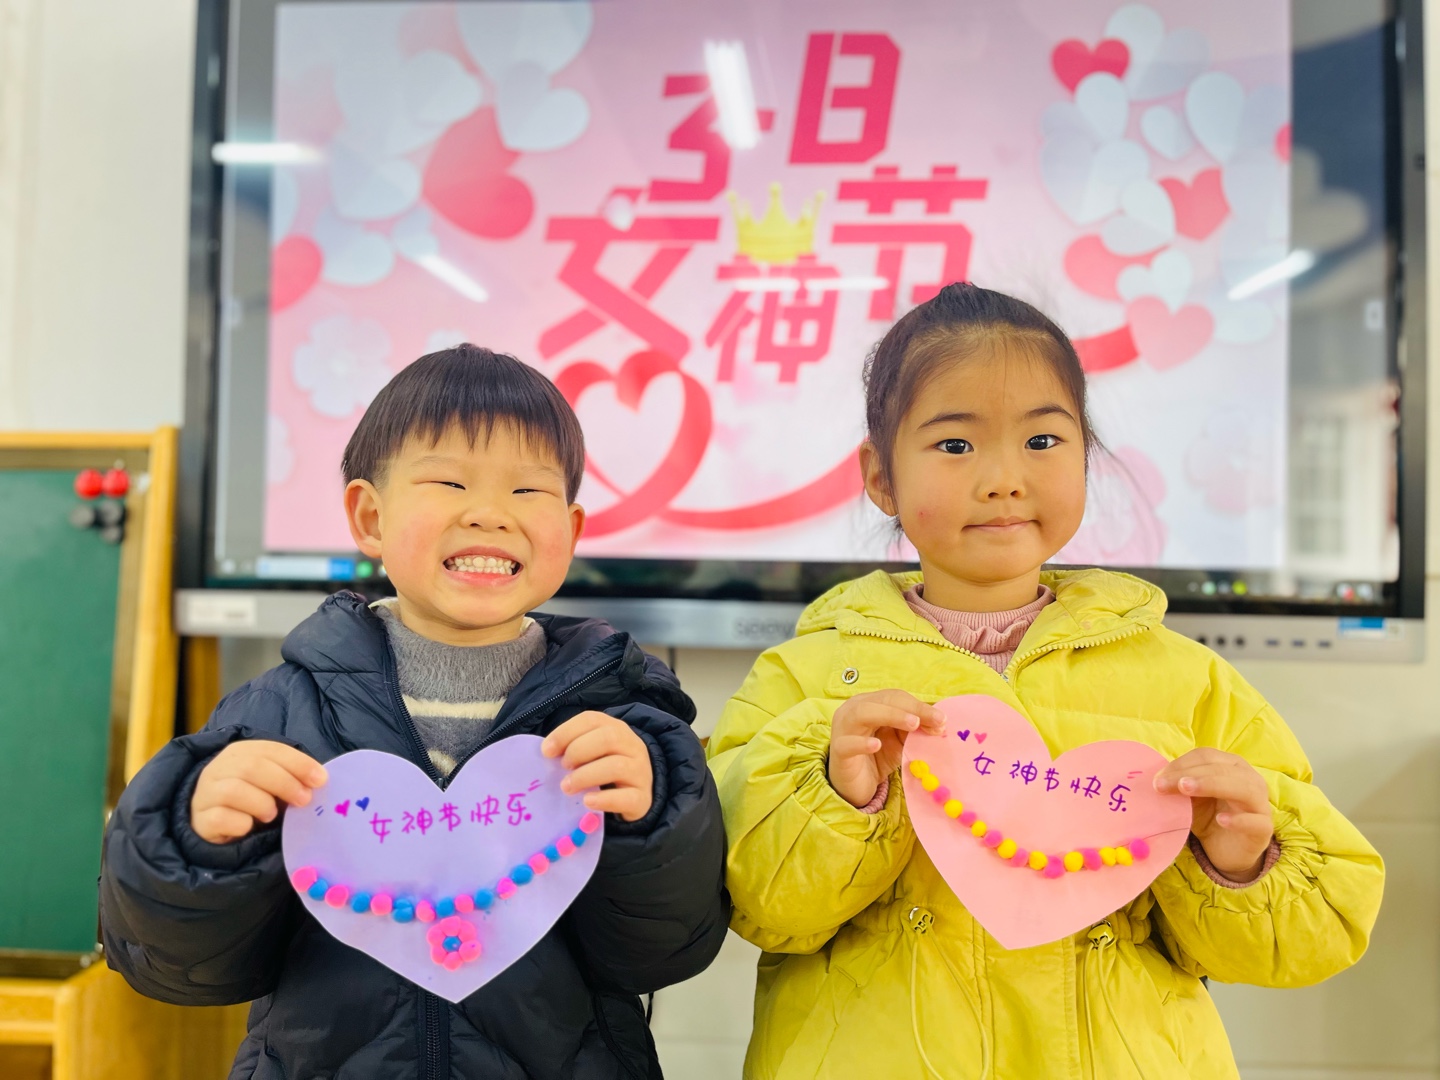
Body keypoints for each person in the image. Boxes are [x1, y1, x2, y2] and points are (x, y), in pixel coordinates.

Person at [706, 283, 1383, 1078]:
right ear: (881, 476)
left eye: (1042, 440)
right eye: (954, 445)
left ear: (1084, 457)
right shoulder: (804, 675)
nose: (1003, 478)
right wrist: (839, 796)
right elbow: (753, 903)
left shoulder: (1188, 679)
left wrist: (1239, 863)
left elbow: (1314, 935)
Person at [101, 345, 729, 1080]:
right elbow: (174, 966)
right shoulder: (277, 712)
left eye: (528, 489)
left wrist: (646, 825)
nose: (490, 514)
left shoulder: (625, 720)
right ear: (369, 516)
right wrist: (199, 844)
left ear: (572, 527)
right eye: (449, 481)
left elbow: (667, 953)